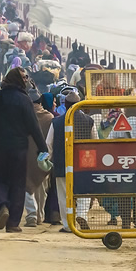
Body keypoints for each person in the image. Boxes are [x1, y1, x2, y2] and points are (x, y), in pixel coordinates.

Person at [0, 67, 49, 232]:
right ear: (18, 79)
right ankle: (12, 223)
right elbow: (33, 126)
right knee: (18, 184)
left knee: (1, 179)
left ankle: (2, 205)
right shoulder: (24, 100)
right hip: (19, 148)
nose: (26, 81)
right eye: (24, 78)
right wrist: (42, 148)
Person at [46, 91, 92, 232]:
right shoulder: (89, 121)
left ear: (65, 105)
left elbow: (49, 144)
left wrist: (47, 161)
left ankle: (67, 225)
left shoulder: (57, 122)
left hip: (62, 164)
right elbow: (95, 142)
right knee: (84, 192)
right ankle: (82, 214)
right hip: (83, 164)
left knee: (64, 194)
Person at [24, 86, 55, 226]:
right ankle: (40, 215)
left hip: (26, 154)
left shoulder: (23, 116)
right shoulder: (49, 117)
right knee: (42, 186)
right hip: (43, 156)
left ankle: (31, 213)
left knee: (27, 184)